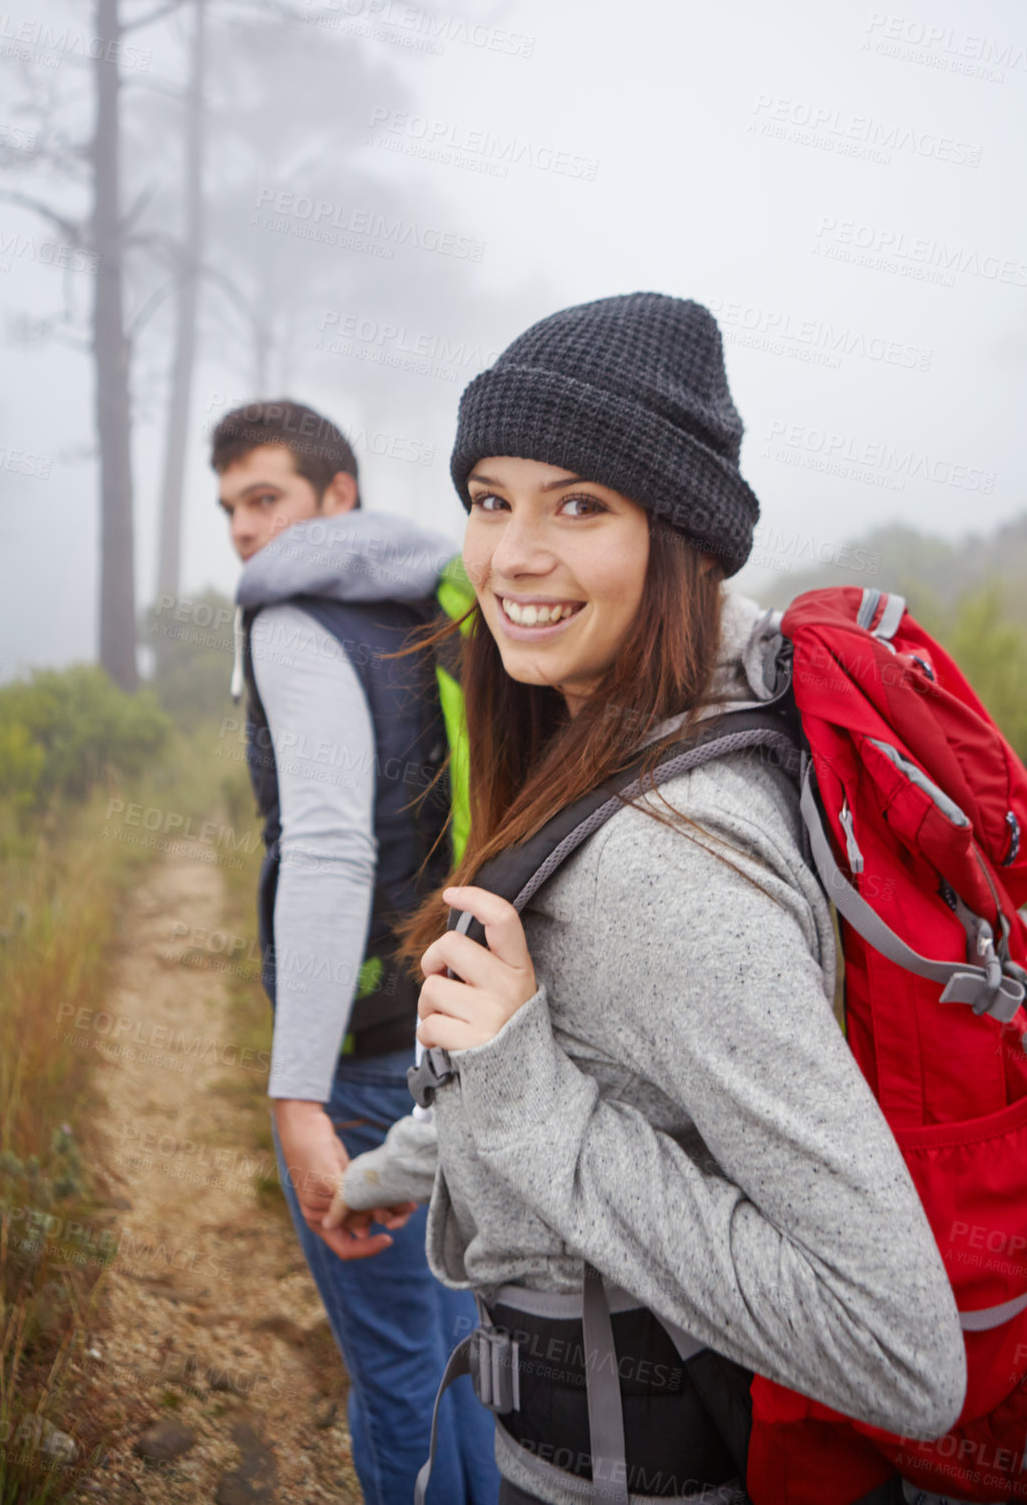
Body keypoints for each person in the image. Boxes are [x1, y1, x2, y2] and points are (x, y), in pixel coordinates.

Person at [320, 296, 968, 1505]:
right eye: (488, 497)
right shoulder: (678, 726)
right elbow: (591, 1067)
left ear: (677, 538)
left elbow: (896, 1346)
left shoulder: (666, 863)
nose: (511, 554)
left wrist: (520, 1095)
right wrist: (375, 1178)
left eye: (579, 504)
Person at [211, 399, 499, 1505]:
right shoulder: (443, 606)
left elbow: (329, 846)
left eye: (266, 497)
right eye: (231, 505)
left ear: (339, 495)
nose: (243, 529)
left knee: (394, 1373)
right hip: (466, 1020)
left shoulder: (292, 621)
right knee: (466, 1348)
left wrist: (296, 1097)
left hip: (364, 1056)